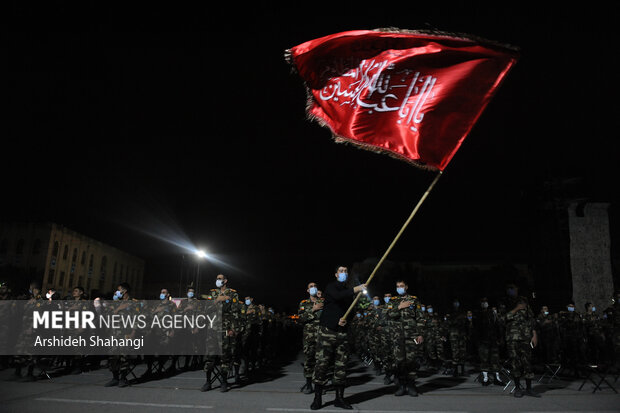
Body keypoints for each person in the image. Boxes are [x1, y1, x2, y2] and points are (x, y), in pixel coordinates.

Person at [310, 266, 365, 410]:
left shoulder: (349, 292)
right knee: (322, 364)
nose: (344, 273)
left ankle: (339, 398)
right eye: (341, 271)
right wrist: (357, 289)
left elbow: (351, 312)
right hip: (328, 331)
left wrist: (346, 320)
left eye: (346, 271)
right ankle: (318, 398)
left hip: (342, 333)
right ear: (335, 274)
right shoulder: (331, 287)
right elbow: (337, 297)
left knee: (341, 366)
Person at [202, 274, 243, 393]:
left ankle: (224, 382)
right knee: (209, 356)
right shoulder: (212, 293)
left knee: (225, 357)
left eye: (220, 279)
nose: (218, 280)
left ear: (225, 281)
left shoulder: (233, 293)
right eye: (217, 278)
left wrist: (233, 329)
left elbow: (235, 312)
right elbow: (206, 310)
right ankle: (208, 382)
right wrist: (217, 300)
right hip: (212, 329)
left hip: (225, 329)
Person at [387, 279, 425, 397]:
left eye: (402, 286)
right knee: (399, 362)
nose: (399, 288)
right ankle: (401, 386)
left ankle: (411, 385)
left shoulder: (414, 300)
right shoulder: (393, 301)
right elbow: (388, 315)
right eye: (398, 286)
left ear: (406, 287)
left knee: (411, 360)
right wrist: (399, 307)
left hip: (411, 335)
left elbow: (420, 318)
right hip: (397, 336)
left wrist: (420, 334)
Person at [505, 295, 540, 398]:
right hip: (513, 340)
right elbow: (504, 318)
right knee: (515, 364)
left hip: (525, 340)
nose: (523, 304)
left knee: (527, 363)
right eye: (521, 303)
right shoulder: (510, 308)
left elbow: (532, 323)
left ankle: (529, 389)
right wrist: (516, 308)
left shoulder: (528, 310)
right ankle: (518, 388)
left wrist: (534, 335)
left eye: (524, 303)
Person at [298, 282, 323, 394]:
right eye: (311, 286)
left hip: (322, 335)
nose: (313, 288)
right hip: (308, 336)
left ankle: (319, 386)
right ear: (308, 290)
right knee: (309, 360)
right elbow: (301, 318)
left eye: (315, 286)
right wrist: (313, 309)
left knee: (321, 361)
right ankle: (308, 385)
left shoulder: (323, 301)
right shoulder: (304, 303)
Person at [474, 297, 504, 386]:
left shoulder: (492, 313)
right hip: (483, 340)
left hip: (493, 340)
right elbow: (476, 329)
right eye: (483, 302)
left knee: (495, 359)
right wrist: (477, 341)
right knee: (484, 360)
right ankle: (485, 378)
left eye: (486, 301)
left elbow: (497, 326)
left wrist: (499, 338)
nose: (484, 303)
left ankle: (497, 378)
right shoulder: (478, 314)